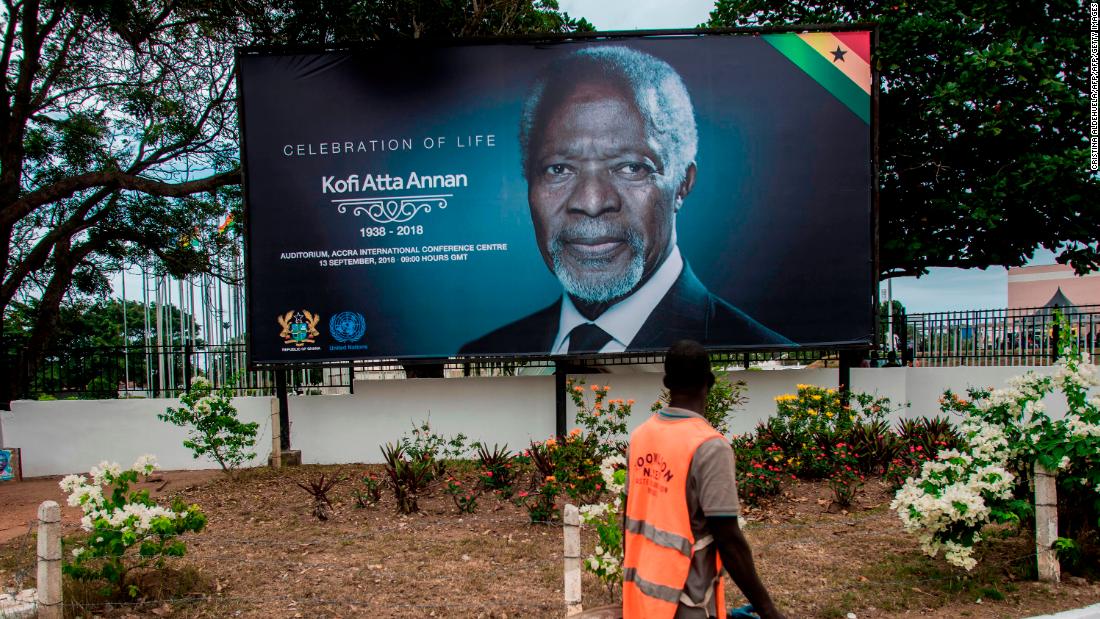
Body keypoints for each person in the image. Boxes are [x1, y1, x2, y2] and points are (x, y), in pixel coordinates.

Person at [460, 46, 790, 356]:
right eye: (558, 169)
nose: (591, 202)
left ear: (682, 184)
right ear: (529, 181)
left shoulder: (762, 356)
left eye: (631, 167)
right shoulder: (483, 353)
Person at [623, 340, 785, 619]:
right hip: (685, 603)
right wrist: (768, 610)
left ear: (667, 382)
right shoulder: (709, 447)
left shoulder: (640, 437)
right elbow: (729, 539)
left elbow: (627, 517)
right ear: (709, 382)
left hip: (640, 596)